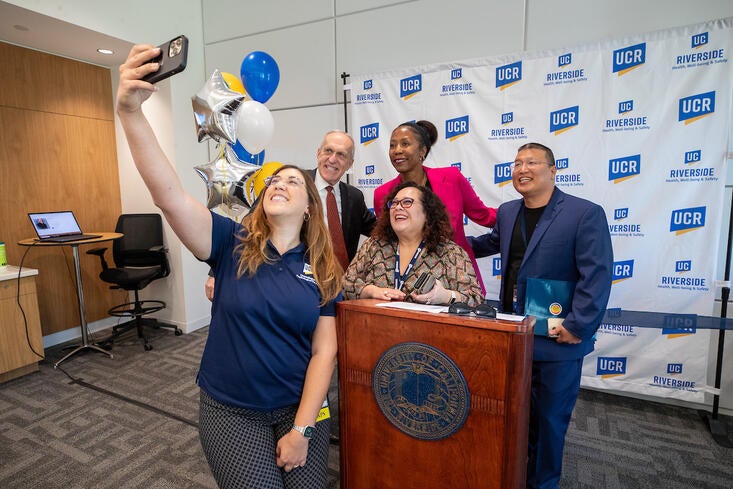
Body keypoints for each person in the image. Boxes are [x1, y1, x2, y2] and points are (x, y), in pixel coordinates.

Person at [117, 44, 341, 489]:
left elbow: (325, 352)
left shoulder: (322, 269)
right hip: (231, 410)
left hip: (302, 406)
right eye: (274, 180)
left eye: (293, 181)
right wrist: (129, 113)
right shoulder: (229, 242)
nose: (279, 183)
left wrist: (301, 430)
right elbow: (169, 195)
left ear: (310, 209)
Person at [468, 142, 613, 489]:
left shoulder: (584, 213)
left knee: (549, 422)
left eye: (532, 162)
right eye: (517, 163)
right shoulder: (506, 211)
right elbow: (489, 244)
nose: (522, 169)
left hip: (559, 339)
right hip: (514, 334)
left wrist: (578, 326)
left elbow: (598, 274)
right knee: (517, 419)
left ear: (553, 170)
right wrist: (441, 240)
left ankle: (543, 483)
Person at [205, 130, 375, 300]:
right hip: (293, 286)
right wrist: (216, 270)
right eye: (328, 151)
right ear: (318, 153)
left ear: (350, 163)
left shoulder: (355, 197)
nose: (332, 159)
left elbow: (379, 230)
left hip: (340, 290)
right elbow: (250, 223)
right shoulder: (288, 183)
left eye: (341, 155)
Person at [372, 120, 496, 292]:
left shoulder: (451, 178)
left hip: (456, 277)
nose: (397, 150)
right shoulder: (382, 193)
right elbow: (389, 240)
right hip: (410, 285)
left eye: (405, 144)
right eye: (392, 145)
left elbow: (484, 215)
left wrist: (521, 211)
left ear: (422, 151)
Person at [343, 181, 483, 307]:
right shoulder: (374, 245)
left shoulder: (450, 252)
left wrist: (446, 296)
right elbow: (344, 285)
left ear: (427, 212)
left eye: (407, 202)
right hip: (377, 329)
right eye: (394, 203)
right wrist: (371, 291)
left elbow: (476, 298)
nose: (398, 207)